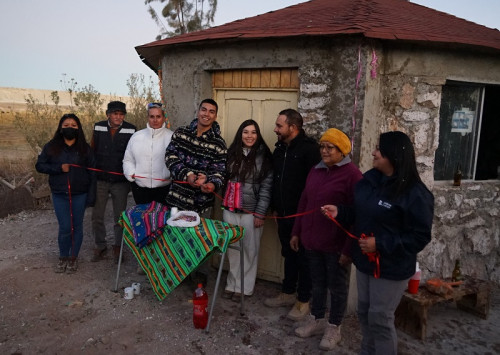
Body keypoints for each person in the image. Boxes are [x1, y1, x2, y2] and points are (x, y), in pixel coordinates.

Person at [322, 131, 434, 355]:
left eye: (379, 150)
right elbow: (361, 213)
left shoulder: (415, 194)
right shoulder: (369, 181)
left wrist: (380, 243)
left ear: (393, 155)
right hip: (365, 263)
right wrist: (340, 211)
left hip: (391, 269)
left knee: (380, 318)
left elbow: (419, 236)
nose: (373, 152)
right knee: (364, 313)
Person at [290, 128, 362, 351]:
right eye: (322, 146)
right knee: (317, 283)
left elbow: (357, 214)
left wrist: (348, 249)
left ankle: (334, 327)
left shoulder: (352, 175)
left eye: (330, 147)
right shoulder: (316, 170)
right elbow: (305, 201)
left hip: (335, 244)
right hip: (312, 240)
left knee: (337, 287)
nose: (324, 150)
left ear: (342, 150)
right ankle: (316, 318)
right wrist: (296, 231)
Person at [264, 108, 321, 322]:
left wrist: (307, 214)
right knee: (288, 253)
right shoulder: (279, 149)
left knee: (305, 258)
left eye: (279, 126)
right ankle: (288, 293)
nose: (275, 129)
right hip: (283, 215)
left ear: (293, 127)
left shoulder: (310, 150)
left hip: (304, 216)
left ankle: (303, 301)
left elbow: (314, 186)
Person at [165, 98, 227, 285]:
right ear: (198, 111)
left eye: (211, 111)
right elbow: (170, 156)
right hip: (177, 198)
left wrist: (211, 184)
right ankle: (179, 273)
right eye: (204, 110)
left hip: (201, 203)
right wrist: (188, 175)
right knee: (177, 237)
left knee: (201, 240)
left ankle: (200, 278)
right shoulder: (181, 133)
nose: (206, 114)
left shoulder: (219, 144)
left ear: (215, 116)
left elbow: (220, 172)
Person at [35, 113, 96, 273]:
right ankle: (63, 257)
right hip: (60, 194)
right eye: (66, 125)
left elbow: (93, 174)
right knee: (65, 227)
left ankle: (73, 258)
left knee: (77, 226)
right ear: (61, 128)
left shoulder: (85, 149)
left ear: (79, 128)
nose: (70, 128)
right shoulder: (51, 146)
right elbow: (40, 166)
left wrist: (91, 196)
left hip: (80, 194)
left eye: (74, 125)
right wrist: (58, 168)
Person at [221, 119, 273, 301]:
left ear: (257, 135)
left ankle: (245, 288)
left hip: (251, 213)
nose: (249, 136)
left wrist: (260, 213)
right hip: (230, 209)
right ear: (240, 134)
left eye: (253, 132)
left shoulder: (265, 157)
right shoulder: (231, 153)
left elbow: (267, 188)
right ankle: (232, 284)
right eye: (245, 132)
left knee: (250, 251)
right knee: (233, 250)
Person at [91, 101, 136, 263]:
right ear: (108, 114)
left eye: (121, 114)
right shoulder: (98, 127)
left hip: (121, 182)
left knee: (120, 216)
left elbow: (134, 154)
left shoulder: (132, 129)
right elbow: (92, 150)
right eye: (115, 113)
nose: (118, 117)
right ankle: (100, 245)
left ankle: (118, 248)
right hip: (100, 180)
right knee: (97, 215)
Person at [123, 102, 173, 205]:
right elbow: (128, 159)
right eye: (152, 116)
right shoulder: (136, 137)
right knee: (143, 218)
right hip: (140, 189)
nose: (155, 120)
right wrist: (131, 172)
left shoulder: (172, 137)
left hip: (164, 189)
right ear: (147, 117)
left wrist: (171, 175)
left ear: (164, 117)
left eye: (158, 116)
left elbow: (178, 161)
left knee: (161, 219)